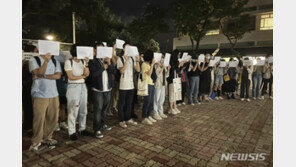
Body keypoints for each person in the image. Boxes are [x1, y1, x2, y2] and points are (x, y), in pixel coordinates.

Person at [29, 52, 62, 151]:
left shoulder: (56, 61)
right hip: (39, 94)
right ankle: (36, 141)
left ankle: (47, 138)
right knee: (39, 118)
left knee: (53, 117)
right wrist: (46, 61)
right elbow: (38, 73)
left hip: (54, 94)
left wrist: (43, 76)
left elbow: (58, 76)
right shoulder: (34, 59)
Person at [88, 42, 116, 138]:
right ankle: (97, 129)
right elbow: (92, 75)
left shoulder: (107, 59)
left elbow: (114, 72)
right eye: (98, 49)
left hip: (107, 88)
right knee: (98, 110)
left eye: (103, 49)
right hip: (98, 89)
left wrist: (109, 63)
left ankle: (103, 124)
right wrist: (103, 68)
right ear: (95, 50)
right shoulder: (92, 61)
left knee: (104, 108)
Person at [64, 44, 92, 141]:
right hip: (73, 87)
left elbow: (87, 74)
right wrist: (83, 76)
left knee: (83, 109)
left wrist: (87, 64)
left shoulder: (83, 61)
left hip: (82, 86)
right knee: (73, 110)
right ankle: (72, 132)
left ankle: (82, 128)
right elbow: (70, 77)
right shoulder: (69, 62)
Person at [117, 42, 141, 128]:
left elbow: (138, 70)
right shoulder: (120, 58)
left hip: (131, 85)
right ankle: (121, 120)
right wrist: (126, 61)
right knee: (122, 103)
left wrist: (137, 60)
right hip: (123, 85)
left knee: (129, 103)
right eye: (127, 48)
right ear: (123, 49)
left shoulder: (132, 59)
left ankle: (128, 118)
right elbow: (121, 71)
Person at [141, 50, 157, 125]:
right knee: (146, 102)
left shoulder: (149, 64)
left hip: (151, 84)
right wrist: (152, 64)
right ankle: (144, 117)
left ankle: (148, 115)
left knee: (151, 102)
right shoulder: (144, 64)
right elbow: (149, 73)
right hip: (146, 84)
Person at [167, 50, 185, 115]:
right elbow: (174, 70)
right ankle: (171, 108)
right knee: (172, 95)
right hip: (172, 80)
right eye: (178, 54)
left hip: (177, 79)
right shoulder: (171, 61)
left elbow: (179, 71)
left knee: (176, 94)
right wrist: (179, 65)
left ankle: (175, 106)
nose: (179, 56)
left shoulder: (177, 61)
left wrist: (181, 66)